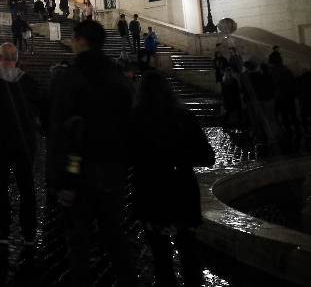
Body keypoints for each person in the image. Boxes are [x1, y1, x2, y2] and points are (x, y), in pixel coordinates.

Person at [47, 19, 137, 287]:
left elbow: (61, 133)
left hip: (79, 173)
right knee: (116, 238)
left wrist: (61, 179)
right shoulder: (118, 77)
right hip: (113, 171)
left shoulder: (69, 77)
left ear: (81, 40)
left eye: (74, 39)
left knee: (79, 244)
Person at [131, 71, 215, 287]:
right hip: (182, 187)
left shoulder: (135, 118)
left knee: (160, 255)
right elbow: (207, 156)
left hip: (152, 190)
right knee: (189, 250)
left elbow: (127, 155)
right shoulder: (184, 116)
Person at [0, 42, 41, 246]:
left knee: (0, 189)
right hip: (24, 142)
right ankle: (28, 232)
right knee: (26, 188)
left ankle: (3, 230)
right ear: (16, 59)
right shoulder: (30, 82)